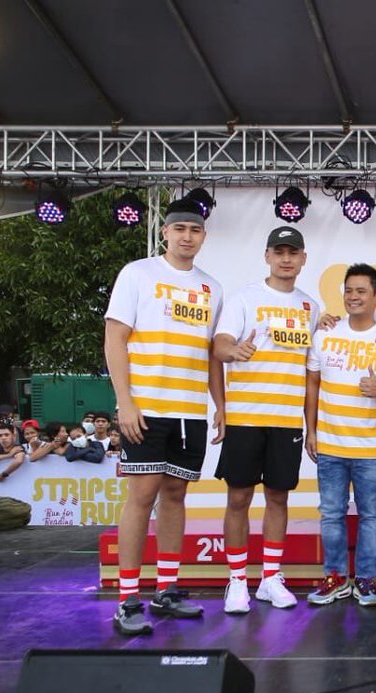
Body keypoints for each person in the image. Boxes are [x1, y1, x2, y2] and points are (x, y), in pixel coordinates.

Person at [104, 196, 224, 636]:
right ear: (165, 232)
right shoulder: (137, 273)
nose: (187, 237)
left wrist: (220, 407)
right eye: (180, 230)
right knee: (141, 497)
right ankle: (127, 597)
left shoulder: (212, 287)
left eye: (195, 231)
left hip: (190, 411)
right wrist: (125, 401)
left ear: (204, 237)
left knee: (175, 496)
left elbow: (212, 356)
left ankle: (168, 589)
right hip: (147, 407)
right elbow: (115, 338)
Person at [212, 225, 319, 615]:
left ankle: (270, 578)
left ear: (303, 258)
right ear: (267, 256)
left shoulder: (311, 307)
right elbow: (220, 344)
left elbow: (311, 371)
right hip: (245, 418)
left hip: (287, 421)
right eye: (279, 252)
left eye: (293, 252)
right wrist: (234, 350)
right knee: (238, 497)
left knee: (278, 497)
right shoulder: (245, 298)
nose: (286, 259)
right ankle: (238, 580)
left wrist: (311, 426)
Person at [305, 263, 376, 608]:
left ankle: (366, 578)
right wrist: (312, 430)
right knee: (331, 513)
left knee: (371, 515)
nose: (354, 297)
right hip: (331, 444)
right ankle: (335, 577)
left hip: (372, 448)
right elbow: (312, 383)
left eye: (361, 291)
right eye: (349, 290)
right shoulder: (326, 333)